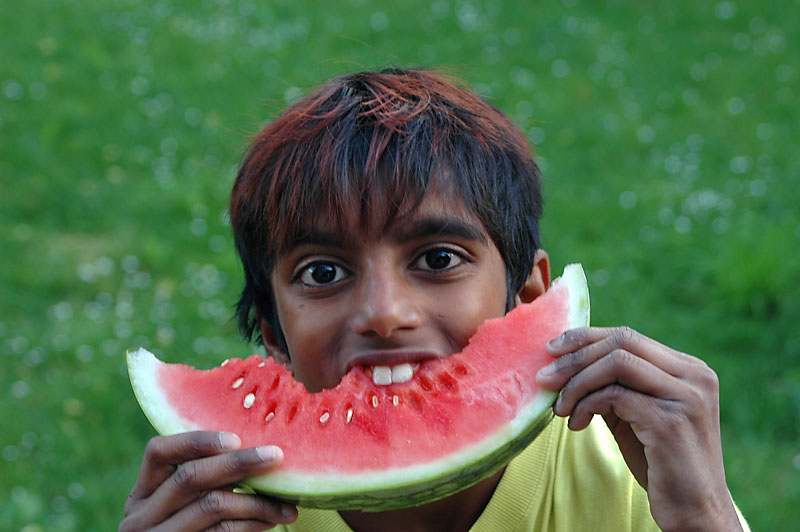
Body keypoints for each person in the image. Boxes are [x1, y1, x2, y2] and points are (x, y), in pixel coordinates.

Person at [120, 68, 748, 531]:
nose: (385, 313)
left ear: (528, 296)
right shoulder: (229, 515)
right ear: (274, 334)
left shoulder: (635, 482)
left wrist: (707, 516)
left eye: (438, 259)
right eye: (321, 273)